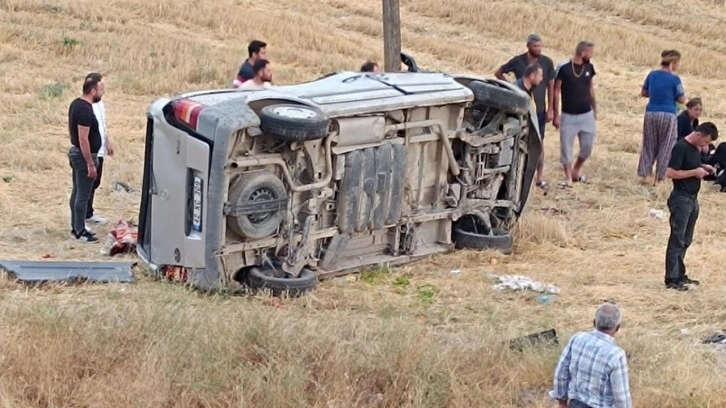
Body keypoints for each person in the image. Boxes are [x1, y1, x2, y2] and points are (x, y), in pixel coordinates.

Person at [495, 33, 556, 189]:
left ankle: (539, 178)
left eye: (540, 46)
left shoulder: (546, 62)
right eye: (536, 46)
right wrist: (510, 89)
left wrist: (551, 109)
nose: (539, 49)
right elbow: (498, 72)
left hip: (540, 110)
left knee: (539, 143)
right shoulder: (518, 61)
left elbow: (551, 85)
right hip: (523, 108)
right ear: (528, 46)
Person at [663, 122, 719, 291]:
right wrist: (694, 173)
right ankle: (671, 278)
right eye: (705, 142)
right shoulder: (681, 147)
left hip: (692, 199)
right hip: (681, 198)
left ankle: (680, 273)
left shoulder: (695, 148)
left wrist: (702, 167)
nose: (706, 146)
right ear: (698, 134)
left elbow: (690, 166)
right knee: (677, 239)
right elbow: (670, 172)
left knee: (686, 240)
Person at [550, 303, 632, 408]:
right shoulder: (616, 355)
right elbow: (621, 398)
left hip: (575, 404)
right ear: (617, 328)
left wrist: (562, 401)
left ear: (594, 322)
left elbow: (561, 372)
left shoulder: (577, 338)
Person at [637, 50, 687, 186]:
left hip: (651, 112)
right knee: (666, 146)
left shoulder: (652, 75)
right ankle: (660, 178)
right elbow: (682, 99)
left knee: (649, 144)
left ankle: (644, 174)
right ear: (674, 62)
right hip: (668, 113)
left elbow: (644, 92)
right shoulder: (675, 79)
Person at [553, 41, 597, 189]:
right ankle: (567, 177)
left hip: (586, 114)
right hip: (568, 115)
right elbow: (556, 90)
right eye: (590, 52)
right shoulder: (564, 68)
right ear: (583, 52)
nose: (591, 55)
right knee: (566, 147)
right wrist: (555, 113)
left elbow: (590, 87)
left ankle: (576, 170)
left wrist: (594, 107)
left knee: (587, 147)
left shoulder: (589, 67)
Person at [68, 74, 105, 243]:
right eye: (101, 89)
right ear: (93, 90)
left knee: (77, 192)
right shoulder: (84, 110)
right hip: (84, 156)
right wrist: (90, 163)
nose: (102, 93)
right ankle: (80, 231)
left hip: (77, 153)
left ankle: (75, 227)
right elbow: (83, 138)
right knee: (82, 195)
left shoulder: (76, 104)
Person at [85, 73, 112, 230]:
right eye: (101, 88)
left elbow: (103, 126)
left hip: (100, 150)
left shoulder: (100, 105)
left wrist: (107, 142)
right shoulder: (87, 106)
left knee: (95, 183)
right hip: (92, 150)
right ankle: (82, 215)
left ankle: (89, 213)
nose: (103, 91)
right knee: (86, 184)